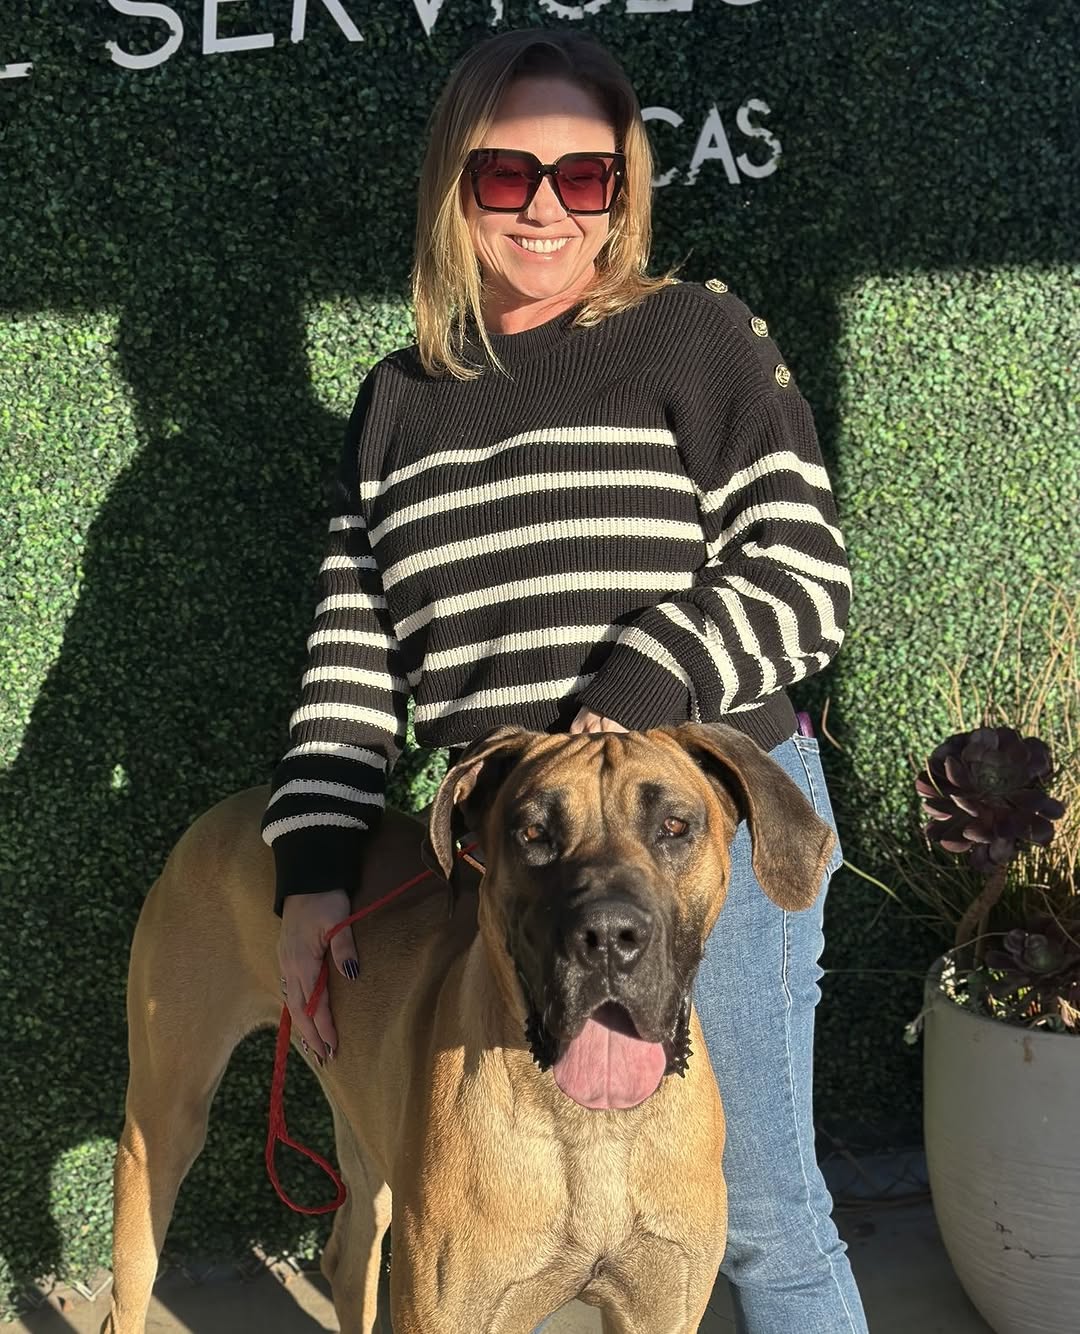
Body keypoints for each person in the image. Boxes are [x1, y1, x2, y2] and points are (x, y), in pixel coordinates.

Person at [262, 26, 868, 1334]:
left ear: (624, 189)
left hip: (704, 826)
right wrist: (311, 873)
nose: (546, 208)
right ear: (451, 184)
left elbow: (805, 574)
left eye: (585, 177)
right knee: (494, 1231)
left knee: (765, 1223)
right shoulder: (398, 405)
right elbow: (353, 662)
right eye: (506, 174)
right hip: (520, 864)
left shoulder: (696, 338)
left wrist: (641, 685)